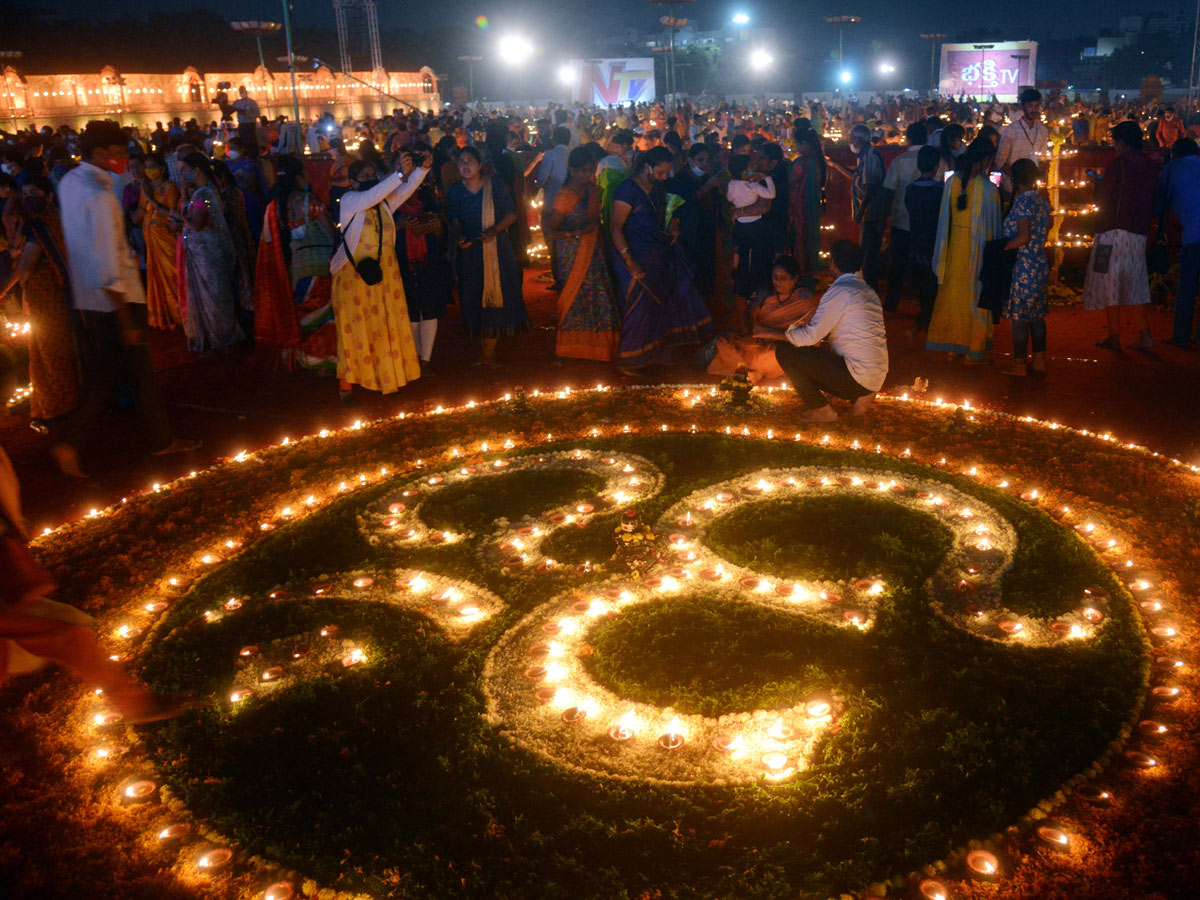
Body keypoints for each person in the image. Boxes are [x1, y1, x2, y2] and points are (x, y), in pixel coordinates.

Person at [53, 121, 199, 478]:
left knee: (132, 374)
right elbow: (108, 258)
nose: (125, 160)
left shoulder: (71, 182)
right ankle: (72, 442)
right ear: (101, 153)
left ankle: (158, 439)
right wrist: (124, 319)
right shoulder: (100, 196)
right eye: (119, 153)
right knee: (112, 374)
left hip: (88, 295)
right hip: (116, 299)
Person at [330, 155, 432, 398]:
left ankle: (385, 377)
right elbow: (371, 196)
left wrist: (421, 170)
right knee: (354, 330)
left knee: (385, 326)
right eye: (363, 177)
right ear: (352, 183)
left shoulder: (383, 203)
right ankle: (348, 384)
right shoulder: (350, 200)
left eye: (371, 175)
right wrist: (398, 175)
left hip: (386, 275)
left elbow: (406, 191)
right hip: (353, 277)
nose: (369, 180)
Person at [609, 146, 712, 373]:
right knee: (639, 308)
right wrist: (629, 261)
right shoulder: (627, 190)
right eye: (661, 173)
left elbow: (667, 215)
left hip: (658, 254)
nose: (664, 178)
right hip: (633, 256)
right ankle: (629, 359)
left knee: (663, 304)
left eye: (667, 173)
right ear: (647, 167)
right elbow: (615, 227)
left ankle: (657, 352)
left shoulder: (657, 188)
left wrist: (674, 226)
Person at [774, 240, 888, 422]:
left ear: (833, 264)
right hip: (875, 376)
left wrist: (787, 332)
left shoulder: (841, 291)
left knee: (785, 352)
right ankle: (860, 395)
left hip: (856, 376)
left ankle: (821, 410)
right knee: (816, 355)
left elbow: (811, 337)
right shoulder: (867, 290)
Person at [0, 177, 79, 426]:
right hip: (59, 293)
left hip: (45, 296)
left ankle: (60, 405)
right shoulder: (50, 221)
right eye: (24, 194)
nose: (28, 198)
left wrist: (15, 284)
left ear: (49, 195)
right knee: (56, 348)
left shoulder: (39, 227)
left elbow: (25, 267)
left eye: (33, 192)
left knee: (49, 351)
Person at [252, 155, 338, 372]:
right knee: (324, 315)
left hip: (296, 268)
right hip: (320, 266)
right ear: (299, 176)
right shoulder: (310, 202)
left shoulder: (275, 206)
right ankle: (322, 362)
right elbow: (330, 230)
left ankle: (301, 358)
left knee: (305, 314)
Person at [446, 146, 529, 367]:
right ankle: (484, 347)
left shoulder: (495, 186)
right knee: (474, 295)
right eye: (461, 161)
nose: (465, 165)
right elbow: (453, 220)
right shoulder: (455, 191)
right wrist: (459, 236)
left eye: (470, 161)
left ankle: (490, 351)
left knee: (494, 294)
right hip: (471, 252)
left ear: (480, 165)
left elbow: (512, 214)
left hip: (496, 249)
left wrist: (493, 231)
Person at [925, 136, 1001, 363]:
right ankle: (973, 347)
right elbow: (996, 228)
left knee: (952, 295)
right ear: (987, 159)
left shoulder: (951, 184)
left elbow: (943, 219)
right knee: (974, 295)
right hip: (978, 252)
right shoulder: (988, 189)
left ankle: (952, 346)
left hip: (952, 249)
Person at [1083, 121, 1158, 351]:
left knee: (1110, 284)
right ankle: (1144, 335)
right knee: (1135, 284)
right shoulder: (1149, 165)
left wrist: (1095, 185)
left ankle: (1115, 336)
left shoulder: (1119, 165)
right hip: (1138, 232)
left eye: (1116, 141)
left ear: (1122, 142)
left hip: (1112, 232)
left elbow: (1103, 199)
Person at [545, 146, 621, 362]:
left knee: (599, 296)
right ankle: (569, 348)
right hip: (572, 253)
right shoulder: (564, 196)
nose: (588, 176)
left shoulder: (591, 190)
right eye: (583, 171)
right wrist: (577, 233)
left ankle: (599, 347)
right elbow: (550, 231)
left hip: (594, 251)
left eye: (591, 170)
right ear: (571, 169)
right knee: (574, 298)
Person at [706, 254, 817, 383]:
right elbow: (750, 312)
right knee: (725, 343)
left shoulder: (804, 298)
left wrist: (771, 333)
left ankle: (755, 371)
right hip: (760, 341)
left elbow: (808, 335)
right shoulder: (766, 291)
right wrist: (751, 332)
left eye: (783, 278)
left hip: (786, 345)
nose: (777, 282)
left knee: (779, 357)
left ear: (795, 278)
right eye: (775, 277)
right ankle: (756, 370)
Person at [177, 153, 247, 352]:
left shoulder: (204, 194)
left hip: (207, 254)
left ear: (196, 170)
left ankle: (222, 339)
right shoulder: (206, 191)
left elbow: (196, 223)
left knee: (213, 298)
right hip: (207, 252)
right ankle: (220, 338)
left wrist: (181, 212)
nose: (182, 174)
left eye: (184, 170)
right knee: (215, 295)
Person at [393, 148, 451, 371]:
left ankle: (425, 357)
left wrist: (431, 225)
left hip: (428, 256)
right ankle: (415, 353)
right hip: (400, 258)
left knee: (429, 306)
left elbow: (438, 221)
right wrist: (401, 226)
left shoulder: (427, 193)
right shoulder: (389, 193)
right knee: (409, 307)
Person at [1000, 158, 1051, 376]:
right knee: (1036, 316)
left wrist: (1001, 248)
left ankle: (1019, 364)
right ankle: (1039, 360)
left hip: (1023, 266)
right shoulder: (1041, 201)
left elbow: (1023, 236)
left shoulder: (1022, 202)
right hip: (1039, 262)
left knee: (1019, 319)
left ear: (1014, 179)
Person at [881, 122, 937, 312]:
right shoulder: (938, 159)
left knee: (898, 265)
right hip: (929, 225)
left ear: (909, 138)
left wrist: (886, 215)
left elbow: (889, 190)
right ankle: (925, 308)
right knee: (926, 267)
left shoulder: (900, 160)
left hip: (902, 221)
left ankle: (891, 303)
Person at [666, 143, 724, 304]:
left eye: (708, 160)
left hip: (707, 229)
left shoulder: (707, 177)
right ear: (690, 161)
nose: (705, 164)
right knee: (693, 269)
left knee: (708, 268)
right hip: (690, 231)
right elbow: (680, 205)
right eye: (700, 160)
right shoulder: (681, 178)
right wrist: (706, 187)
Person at [831, 124, 885, 290]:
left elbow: (869, 187)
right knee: (867, 250)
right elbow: (856, 178)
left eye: (852, 138)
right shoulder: (863, 156)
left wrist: (860, 212)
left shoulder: (869, 156)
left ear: (860, 140)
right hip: (868, 212)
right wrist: (836, 166)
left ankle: (869, 288)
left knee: (868, 253)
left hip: (871, 213)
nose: (850, 141)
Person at [1157, 138, 1200, 347]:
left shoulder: (1172, 169)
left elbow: (1160, 203)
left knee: (1187, 287)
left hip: (1193, 235)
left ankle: (1181, 335)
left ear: (1174, 153)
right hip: (1194, 232)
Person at [135, 152, 182, 329]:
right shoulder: (146, 189)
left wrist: (149, 199)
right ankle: (167, 315)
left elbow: (172, 215)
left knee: (173, 275)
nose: (149, 171)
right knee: (158, 279)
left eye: (152, 167)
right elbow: (138, 217)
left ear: (162, 169)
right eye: (146, 167)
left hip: (167, 241)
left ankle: (181, 314)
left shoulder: (170, 188)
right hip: (152, 243)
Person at [727, 153, 776, 317]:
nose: (754, 167)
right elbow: (771, 195)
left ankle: (743, 289)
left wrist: (738, 206)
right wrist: (767, 178)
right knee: (756, 256)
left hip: (740, 225)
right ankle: (756, 289)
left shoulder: (732, 184)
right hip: (756, 225)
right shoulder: (753, 186)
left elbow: (729, 198)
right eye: (751, 166)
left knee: (742, 254)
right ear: (743, 172)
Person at [903, 146, 945, 337]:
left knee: (922, 284)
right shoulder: (941, 190)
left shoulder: (911, 190)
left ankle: (924, 319)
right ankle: (929, 321)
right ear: (936, 167)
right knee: (932, 284)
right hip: (936, 242)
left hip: (917, 240)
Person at [788, 130, 826, 280]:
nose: (796, 146)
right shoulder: (817, 160)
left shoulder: (802, 163)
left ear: (804, 143)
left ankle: (801, 273)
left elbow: (789, 181)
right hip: (811, 207)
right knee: (809, 239)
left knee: (800, 240)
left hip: (799, 207)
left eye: (797, 143)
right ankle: (809, 273)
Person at [537, 126, 572, 289]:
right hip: (572, 205)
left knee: (552, 243)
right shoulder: (574, 154)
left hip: (552, 204)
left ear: (555, 139)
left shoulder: (550, 155)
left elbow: (541, 180)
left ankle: (559, 280)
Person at [995, 89, 1048, 193]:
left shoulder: (1043, 130)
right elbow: (1000, 161)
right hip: (1012, 187)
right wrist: (1018, 180)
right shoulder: (1010, 130)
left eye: (1036, 106)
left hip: (1033, 187)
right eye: (1030, 106)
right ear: (1023, 107)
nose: (1034, 109)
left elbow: (1043, 158)